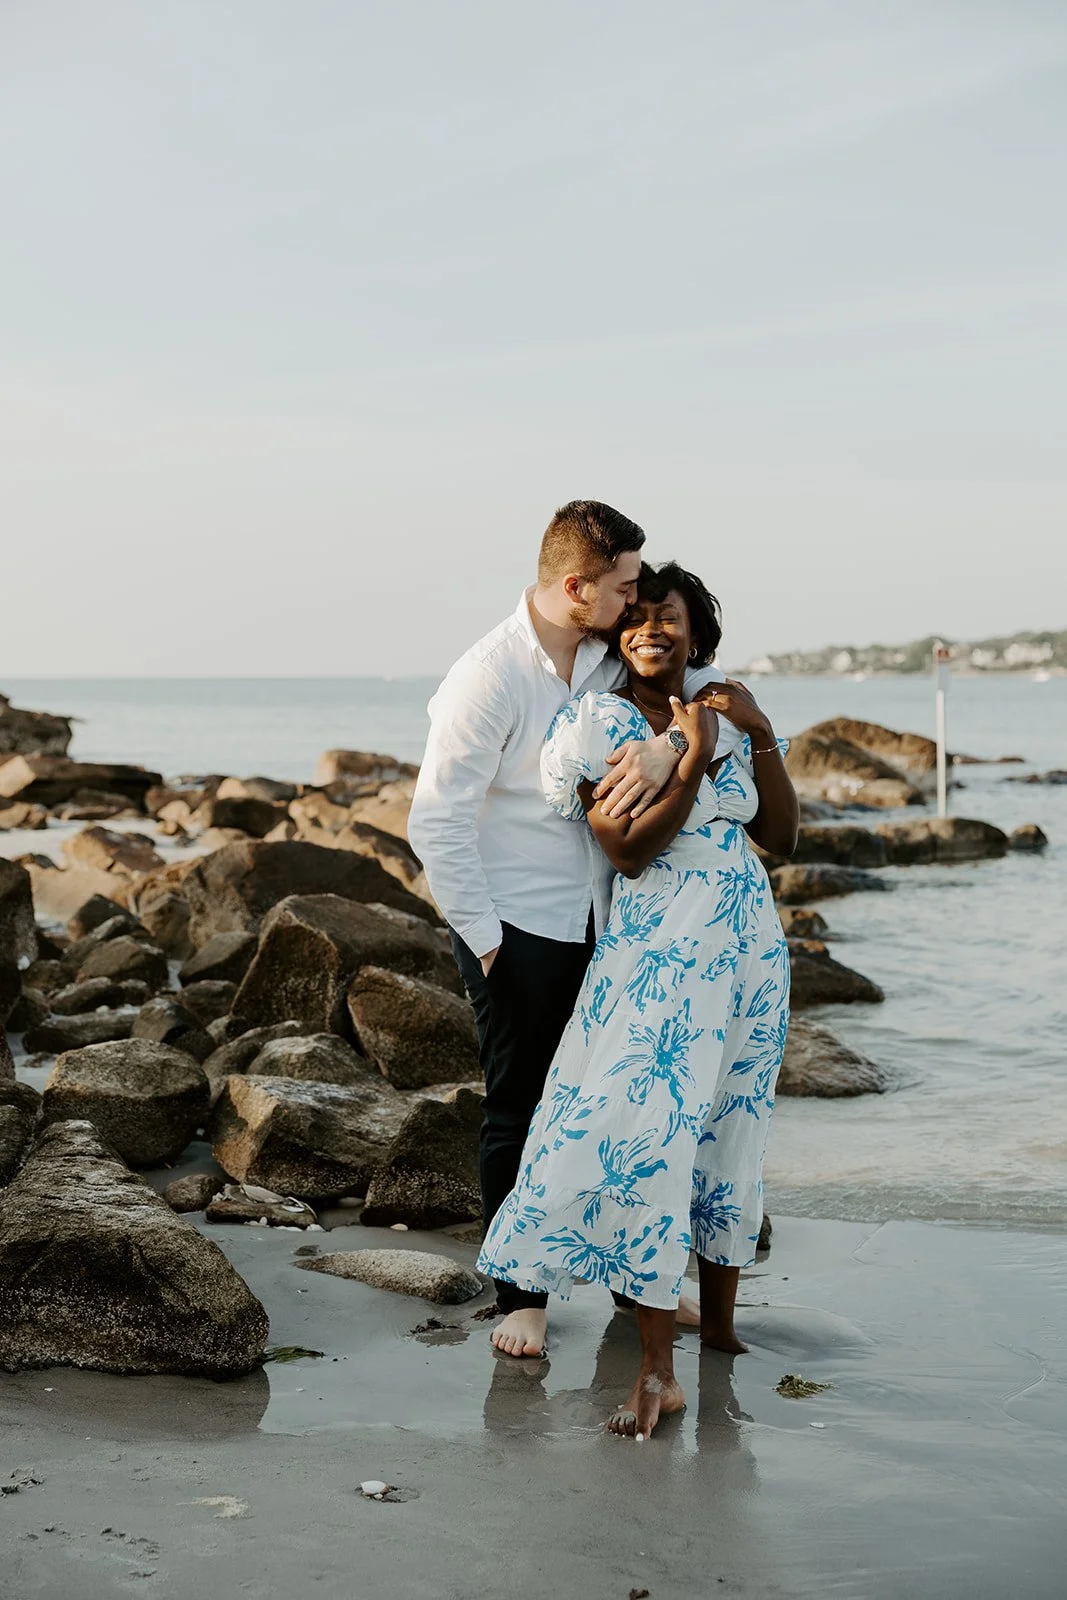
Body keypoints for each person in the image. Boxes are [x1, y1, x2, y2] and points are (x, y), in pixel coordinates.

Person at [477, 561, 799, 1440]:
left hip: (746, 945)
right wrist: (689, 760)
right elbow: (625, 851)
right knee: (645, 1132)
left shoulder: (726, 708)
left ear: (698, 629)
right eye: (636, 616)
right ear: (613, 634)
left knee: (733, 1124)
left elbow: (778, 834)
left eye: (669, 615)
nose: (651, 627)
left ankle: (721, 1332)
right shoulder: (597, 720)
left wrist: (754, 731)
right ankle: (655, 1368)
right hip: (660, 946)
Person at [408, 503, 724, 1361]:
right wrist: (484, 941)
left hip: (614, 921)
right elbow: (435, 821)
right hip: (518, 925)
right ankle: (523, 1298)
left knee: (619, 1101)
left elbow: (708, 688)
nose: (635, 602)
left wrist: (669, 748)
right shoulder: (487, 677)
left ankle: (634, 1285)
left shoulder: (598, 652)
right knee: (521, 1107)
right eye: (623, 586)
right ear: (576, 587)